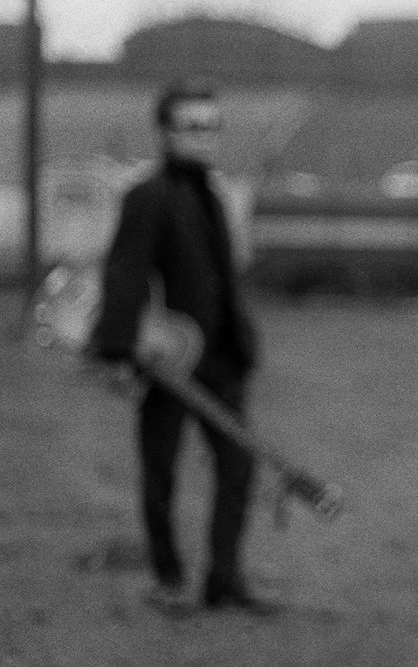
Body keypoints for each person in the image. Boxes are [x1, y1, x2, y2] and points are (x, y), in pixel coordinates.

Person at [89, 80, 264, 613]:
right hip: (169, 358)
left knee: (239, 465)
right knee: (160, 471)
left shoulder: (214, 195)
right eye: (192, 126)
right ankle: (169, 578)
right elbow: (125, 275)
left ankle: (223, 580)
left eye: (211, 126)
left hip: (220, 358)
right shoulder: (147, 196)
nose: (203, 137)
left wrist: (242, 340)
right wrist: (121, 352)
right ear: (165, 132)